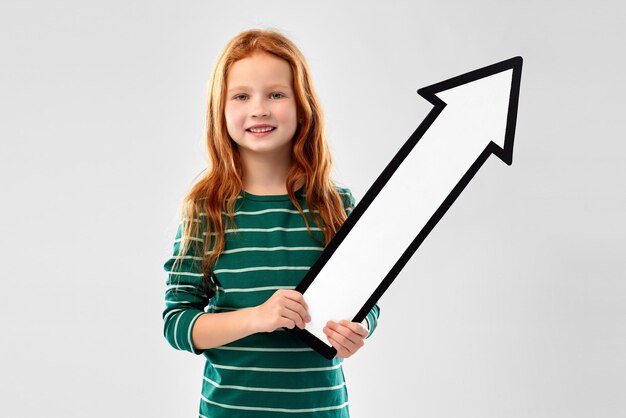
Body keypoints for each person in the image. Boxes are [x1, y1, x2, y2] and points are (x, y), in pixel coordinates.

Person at [162, 28, 380, 417]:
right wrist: (258, 317)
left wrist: (358, 331)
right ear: (221, 109)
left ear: (302, 106)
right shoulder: (205, 209)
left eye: (276, 94)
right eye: (242, 96)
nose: (259, 108)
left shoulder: (336, 204)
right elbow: (177, 322)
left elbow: (366, 301)